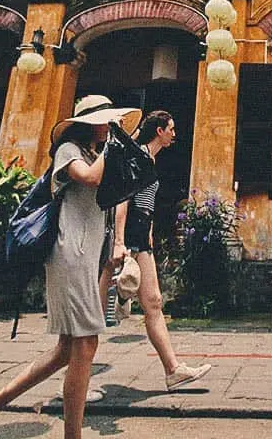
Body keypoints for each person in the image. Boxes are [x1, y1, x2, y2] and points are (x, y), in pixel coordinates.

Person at [0, 95, 140, 439]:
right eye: (106, 121)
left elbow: (119, 196)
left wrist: (117, 244)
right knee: (85, 346)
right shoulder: (70, 150)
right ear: (89, 123)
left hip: (88, 256)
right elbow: (92, 179)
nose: (111, 127)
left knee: (67, 350)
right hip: (69, 254)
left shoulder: (99, 154)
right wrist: (113, 145)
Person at [109, 109, 212, 391]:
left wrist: (150, 235)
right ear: (159, 131)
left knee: (153, 302)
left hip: (142, 236)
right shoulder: (139, 156)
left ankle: (173, 370)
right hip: (129, 235)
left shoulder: (149, 159)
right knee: (92, 314)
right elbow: (123, 200)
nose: (174, 133)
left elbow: (146, 204)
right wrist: (120, 242)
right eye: (171, 128)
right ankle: (73, 375)